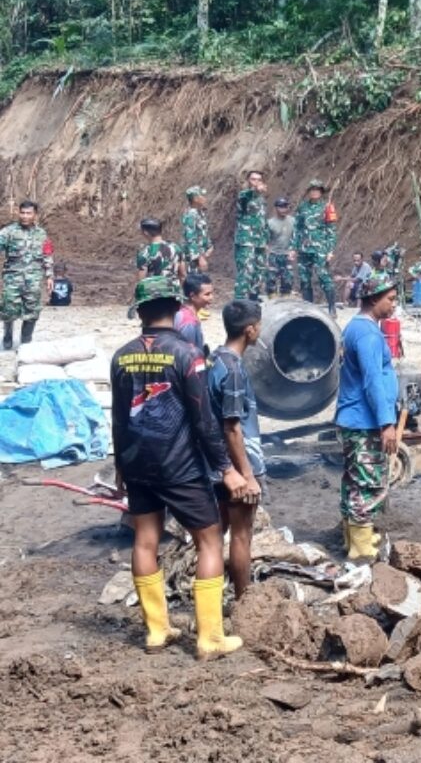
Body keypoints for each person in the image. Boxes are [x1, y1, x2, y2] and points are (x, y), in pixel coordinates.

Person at [110, 276, 247, 660]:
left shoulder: (120, 356)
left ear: (139, 312)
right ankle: (210, 639)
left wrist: (120, 463)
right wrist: (225, 468)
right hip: (179, 465)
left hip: (137, 461)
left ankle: (156, 631)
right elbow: (204, 419)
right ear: (175, 308)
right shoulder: (189, 355)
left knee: (145, 539)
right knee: (208, 538)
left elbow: (119, 417)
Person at [335, 271, 399, 562]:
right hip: (365, 420)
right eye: (391, 299)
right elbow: (373, 380)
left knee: (353, 480)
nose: (394, 304)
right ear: (374, 299)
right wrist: (387, 423)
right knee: (368, 481)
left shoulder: (355, 328)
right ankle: (361, 547)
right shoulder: (369, 334)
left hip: (354, 417)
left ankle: (354, 535)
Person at [208, 300, 266, 596]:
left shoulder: (215, 359)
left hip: (214, 463)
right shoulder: (233, 370)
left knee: (216, 536)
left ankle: (213, 596)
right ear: (250, 330)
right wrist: (247, 473)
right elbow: (232, 426)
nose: (260, 330)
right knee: (242, 536)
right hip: (237, 464)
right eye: (259, 325)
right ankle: (245, 600)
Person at [0, 200, 54, 350]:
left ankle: (26, 341)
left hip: (33, 279)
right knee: (8, 310)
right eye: (22, 213)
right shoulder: (8, 232)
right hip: (12, 278)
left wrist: (49, 276)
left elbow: (47, 255)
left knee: (32, 311)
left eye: (28, 213)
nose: (25, 216)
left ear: (35, 214)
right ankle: (8, 336)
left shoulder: (42, 234)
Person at [289, 179, 338, 316]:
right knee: (305, 279)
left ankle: (332, 307)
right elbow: (297, 229)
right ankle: (309, 309)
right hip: (304, 249)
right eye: (312, 190)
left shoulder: (327, 207)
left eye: (317, 190)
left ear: (321, 192)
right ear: (309, 192)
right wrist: (293, 248)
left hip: (320, 249)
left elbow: (331, 230)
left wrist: (330, 250)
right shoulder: (302, 207)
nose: (314, 192)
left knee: (324, 277)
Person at [234, 169, 268, 300]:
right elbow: (245, 197)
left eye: (259, 180)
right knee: (245, 272)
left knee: (259, 272)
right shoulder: (244, 195)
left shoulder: (261, 199)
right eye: (253, 179)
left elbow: (263, 221)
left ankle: (254, 299)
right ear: (248, 181)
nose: (256, 182)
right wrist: (255, 190)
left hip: (259, 241)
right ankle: (239, 301)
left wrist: (266, 241)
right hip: (245, 241)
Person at [135, 219, 185, 284]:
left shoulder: (145, 253)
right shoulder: (176, 248)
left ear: (145, 232)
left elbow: (141, 281)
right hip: (173, 290)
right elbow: (183, 274)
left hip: (153, 292)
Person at [174, 272, 213, 352]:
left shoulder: (182, 312)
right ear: (193, 296)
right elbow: (186, 355)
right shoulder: (189, 324)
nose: (211, 297)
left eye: (211, 293)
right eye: (207, 294)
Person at [265, 197, 295, 298]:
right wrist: (267, 256)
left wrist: (293, 250)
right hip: (274, 254)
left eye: (285, 207)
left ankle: (286, 296)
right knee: (271, 278)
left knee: (288, 279)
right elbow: (265, 241)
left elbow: (297, 238)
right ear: (276, 208)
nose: (283, 209)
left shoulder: (293, 221)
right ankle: (272, 297)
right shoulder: (270, 223)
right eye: (281, 207)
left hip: (287, 255)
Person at [181, 186, 213, 273]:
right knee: (195, 282)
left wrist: (209, 247)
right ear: (195, 199)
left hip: (201, 255)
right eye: (202, 196)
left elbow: (203, 233)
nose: (205, 198)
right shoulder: (191, 215)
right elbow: (190, 239)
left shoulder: (200, 213)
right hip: (193, 259)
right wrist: (199, 258)